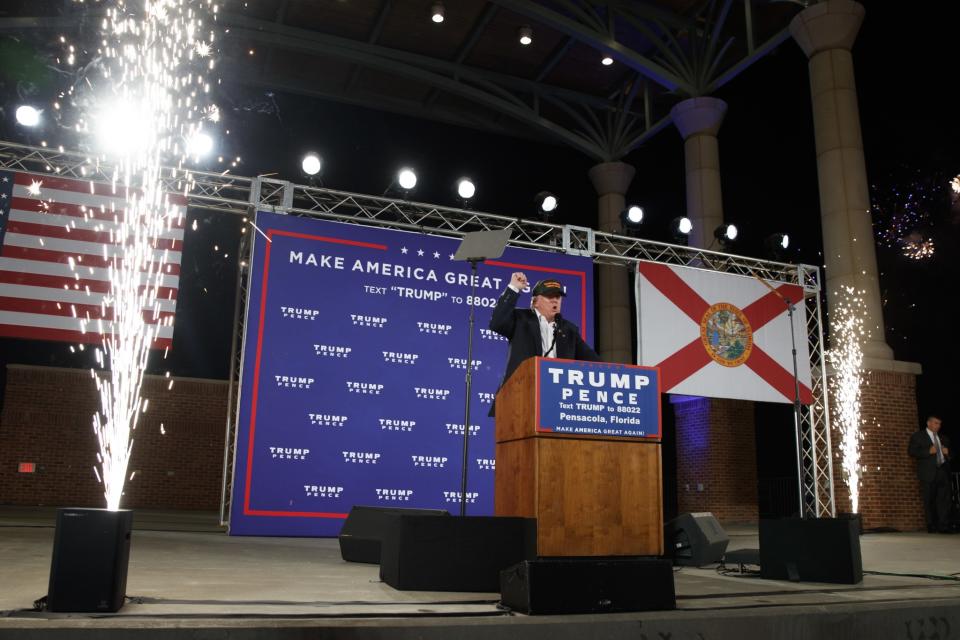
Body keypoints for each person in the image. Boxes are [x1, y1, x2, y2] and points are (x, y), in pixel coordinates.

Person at [488, 272, 600, 414]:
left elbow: (593, 360)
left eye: (558, 297)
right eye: (549, 296)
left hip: (558, 399)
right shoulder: (520, 318)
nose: (555, 300)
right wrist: (514, 288)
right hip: (521, 395)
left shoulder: (569, 329)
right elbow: (496, 323)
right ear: (535, 301)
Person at [907, 414, 953, 533]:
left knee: (943, 500)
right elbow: (912, 451)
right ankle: (931, 525)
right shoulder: (918, 436)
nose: (938, 426)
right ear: (929, 423)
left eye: (939, 424)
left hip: (942, 471)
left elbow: (951, 456)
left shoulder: (943, 438)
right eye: (936, 423)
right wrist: (928, 451)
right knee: (929, 500)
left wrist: (948, 453)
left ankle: (944, 526)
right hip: (928, 473)